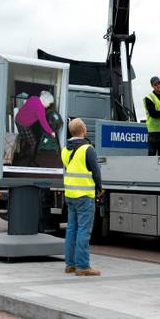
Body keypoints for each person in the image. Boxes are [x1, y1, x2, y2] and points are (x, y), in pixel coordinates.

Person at [61, 118, 102, 276]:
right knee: (84, 230)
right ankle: (83, 266)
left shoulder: (65, 149)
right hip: (84, 195)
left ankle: (70, 264)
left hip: (70, 195)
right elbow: (96, 172)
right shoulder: (87, 149)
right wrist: (99, 188)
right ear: (83, 130)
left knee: (71, 229)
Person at [15, 90, 57, 166]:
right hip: (23, 124)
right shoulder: (40, 108)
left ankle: (22, 154)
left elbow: (26, 104)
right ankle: (31, 162)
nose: (48, 105)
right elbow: (44, 123)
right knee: (34, 142)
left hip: (18, 119)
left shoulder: (34, 98)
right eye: (49, 103)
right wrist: (51, 132)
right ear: (45, 100)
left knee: (24, 138)